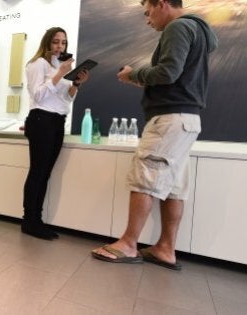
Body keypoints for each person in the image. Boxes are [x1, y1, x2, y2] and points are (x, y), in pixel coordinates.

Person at [92, 0, 218, 269]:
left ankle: (128, 243)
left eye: (148, 13)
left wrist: (132, 74)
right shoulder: (199, 32)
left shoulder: (178, 27)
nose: (147, 20)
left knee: (144, 176)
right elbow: (175, 75)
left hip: (169, 119)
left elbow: (168, 72)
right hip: (187, 119)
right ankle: (165, 248)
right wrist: (144, 79)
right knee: (174, 187)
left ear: (162, 4)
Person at [22, 27, 89, 240]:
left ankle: (36, 220)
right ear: (47, 43)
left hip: (57, 121)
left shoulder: (60, 67)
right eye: (56, 42)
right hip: (41, 120)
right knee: (38, 172)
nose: (60, 47)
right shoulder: (37, 64)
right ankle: (29, 221)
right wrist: (60, 74)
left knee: (45, 174)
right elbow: (39, 96)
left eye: (64, 43)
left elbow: (66, 100)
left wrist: (76, 83)